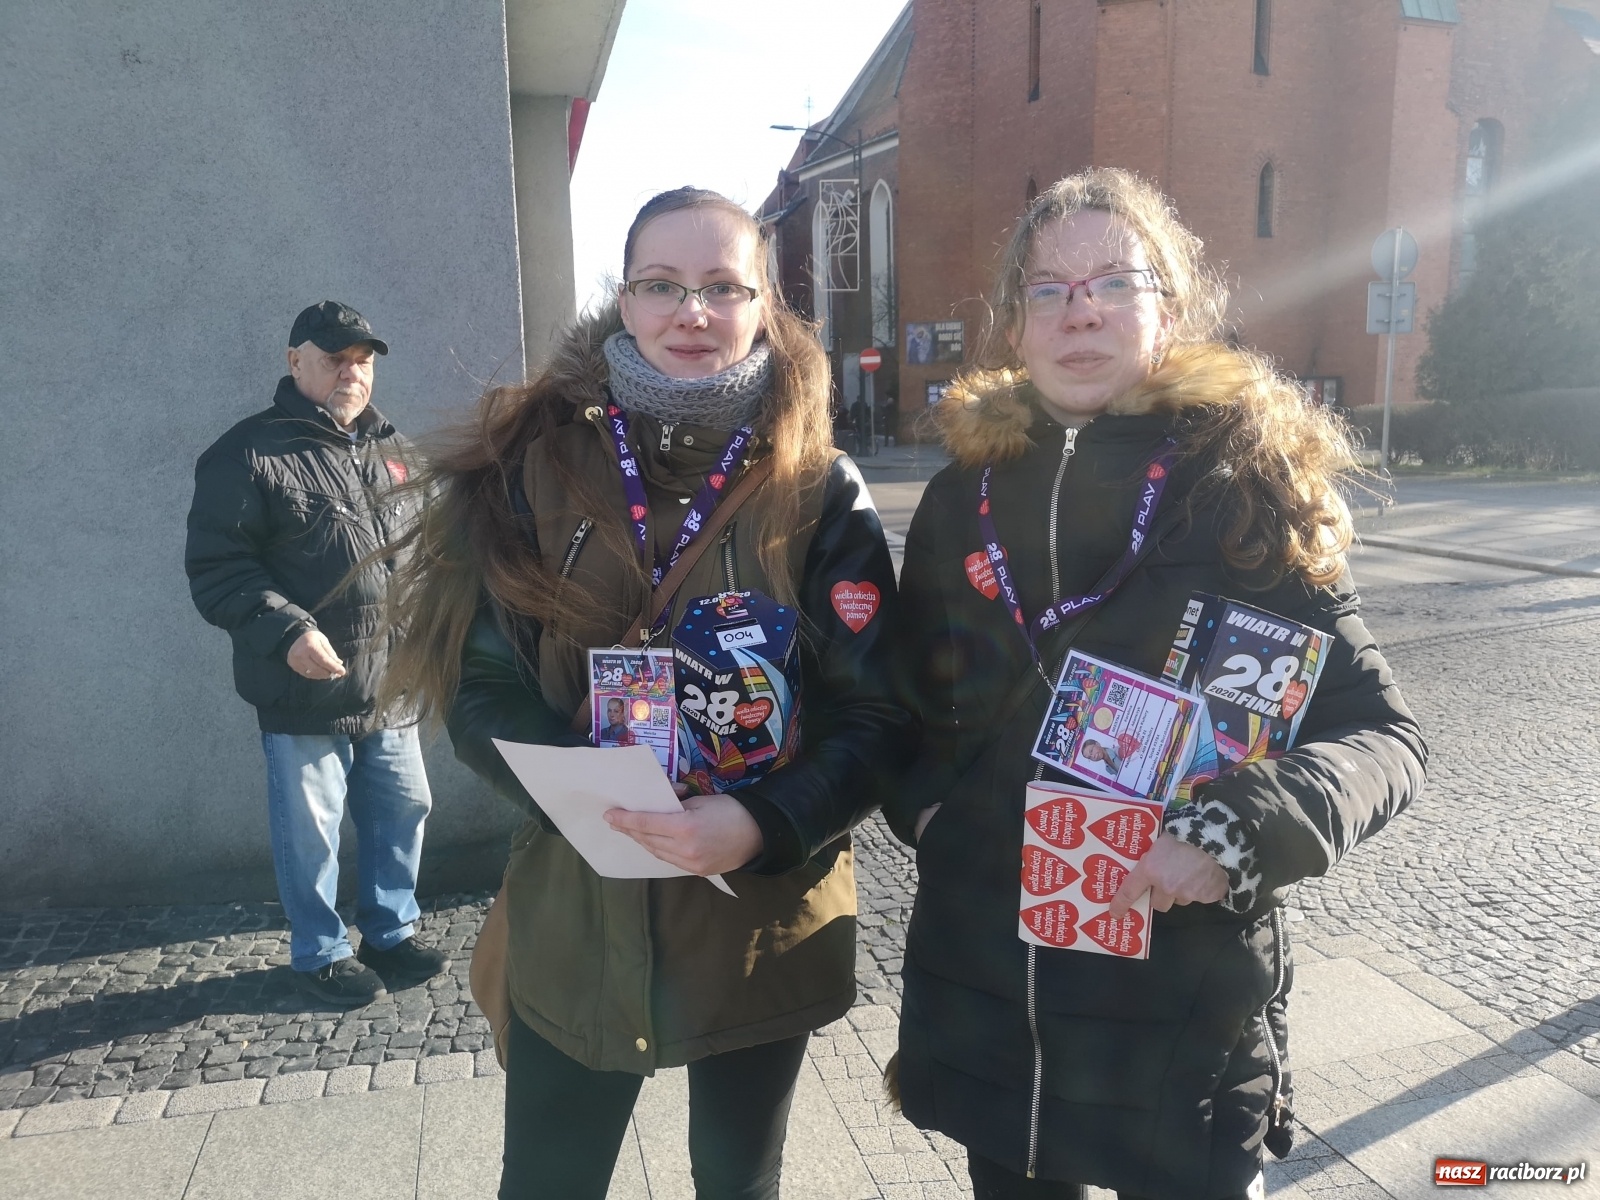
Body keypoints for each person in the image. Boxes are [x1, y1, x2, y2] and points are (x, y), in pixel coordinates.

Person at [885, 169, 1427, 1200]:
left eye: (1113, 282)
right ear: (1016, 325)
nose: (1080, 309)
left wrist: (1235, 830)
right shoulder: (960, 499)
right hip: (994, 1000)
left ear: (1167, 310)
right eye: (1047, 288)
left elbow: (1384, 737)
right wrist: (934, 815)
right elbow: (910, 703)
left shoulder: (1247, 481)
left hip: (1181, 1017)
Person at [379, 188, 910, 1199]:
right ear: (623, 301)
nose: (691, 312)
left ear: (763, 306)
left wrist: (762, 822)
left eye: (722, 287)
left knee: (737, 1182)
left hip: (756, 917)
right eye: (661, 285)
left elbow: (876, 713)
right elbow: (479, 679)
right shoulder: (531, 468)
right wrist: (579, 791)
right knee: (548, 1183)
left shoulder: (818, 485)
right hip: (579, 903)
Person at [185, 301, 447, 1008]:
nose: (350, 373)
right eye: (334, 358)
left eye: (362, 361)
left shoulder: (395, 450)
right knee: (312, 832)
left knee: (404, 808)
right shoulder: (247, 454)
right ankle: (321, 952)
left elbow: (425, 554)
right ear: (294, 360)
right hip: (304, 684)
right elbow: (219, 570)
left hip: (391, 678)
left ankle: (390, 931)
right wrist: (289, 633)